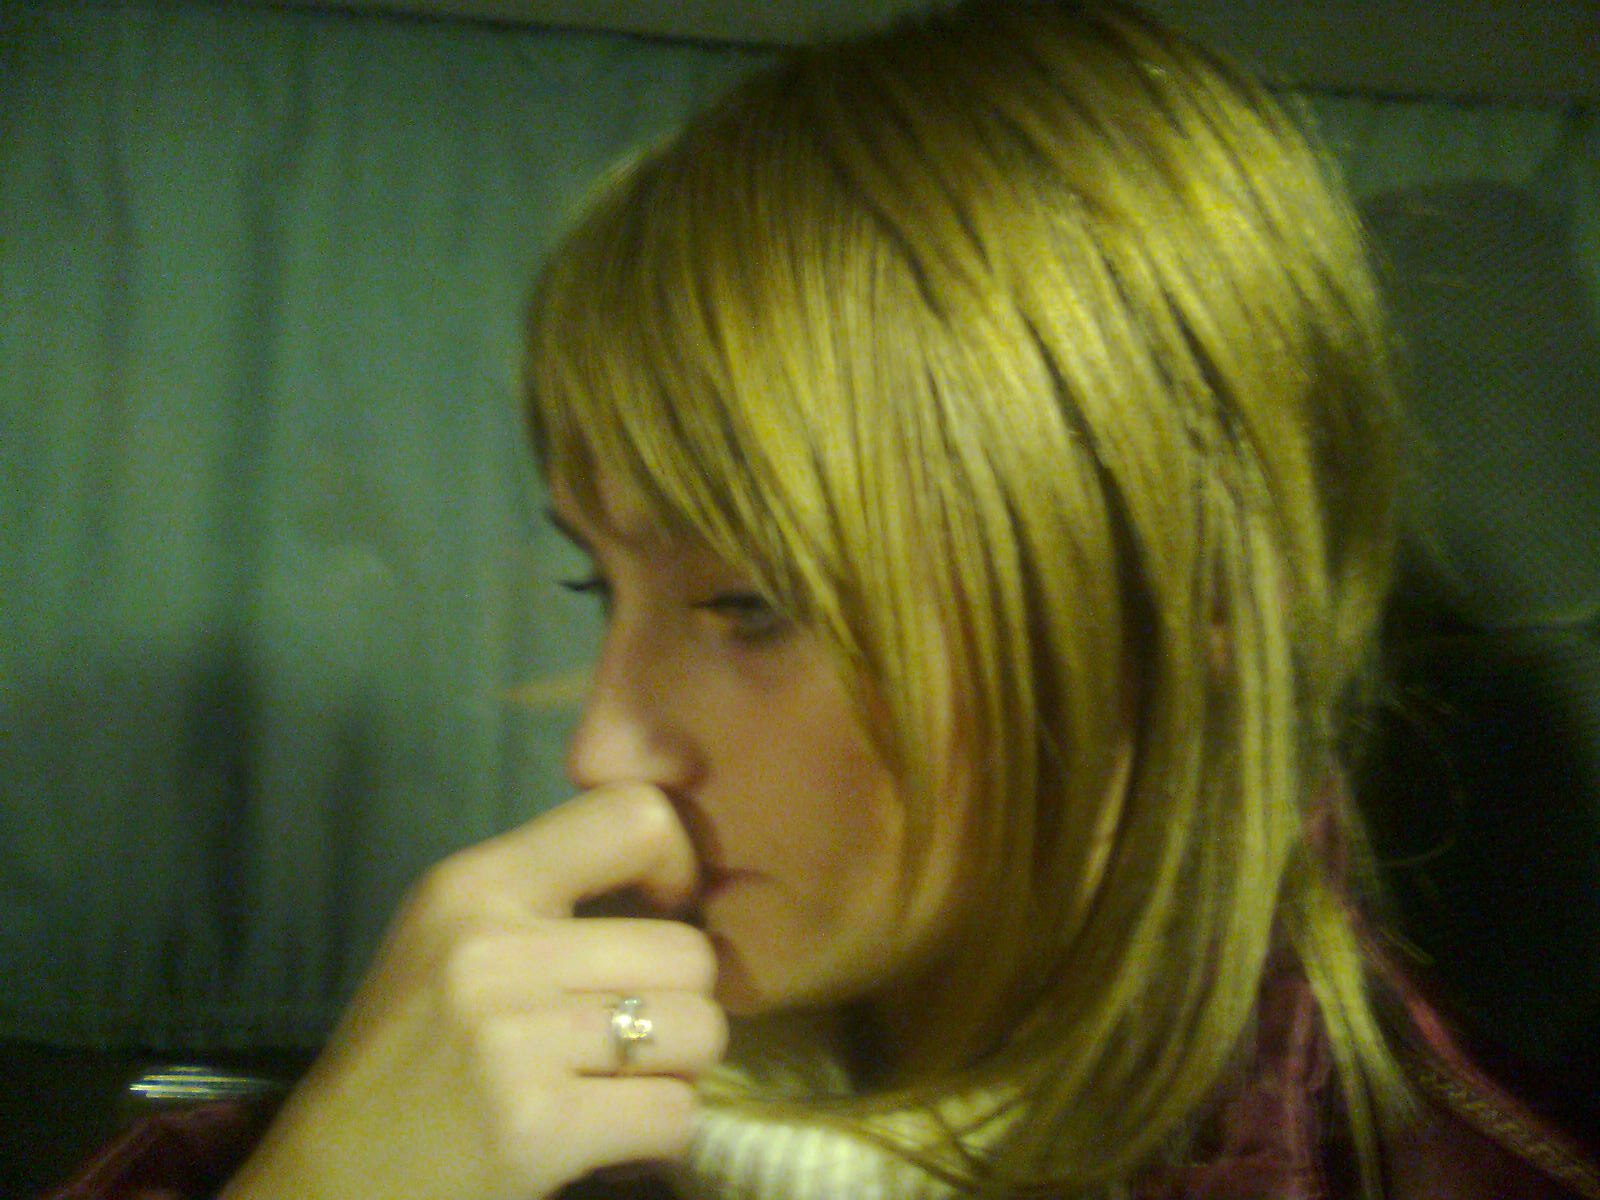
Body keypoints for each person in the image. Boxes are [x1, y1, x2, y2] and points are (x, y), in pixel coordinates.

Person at [49, 2, 1600, 1198]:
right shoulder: (399, 1128)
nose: (601, 751)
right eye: (600, 581)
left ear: (1179, 613)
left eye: (752, 605)